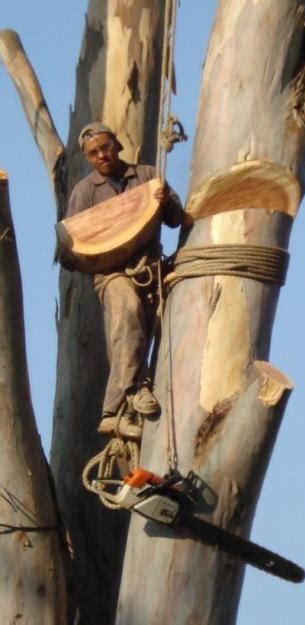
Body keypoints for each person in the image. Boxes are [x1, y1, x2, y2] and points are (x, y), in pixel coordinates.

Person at [64, 122, 183, 439]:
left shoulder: (146, 176)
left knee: (136, 339)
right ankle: (133, 390)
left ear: (116, 145)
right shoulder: (84, 192)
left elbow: (175, 220)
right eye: (93, 153)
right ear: (88, 158)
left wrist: (164, 200)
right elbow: (71, 249)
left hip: (151, 272)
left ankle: (112, 414)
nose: (102, 155)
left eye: (105, 147)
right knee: (126, 312)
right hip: (112, 276)